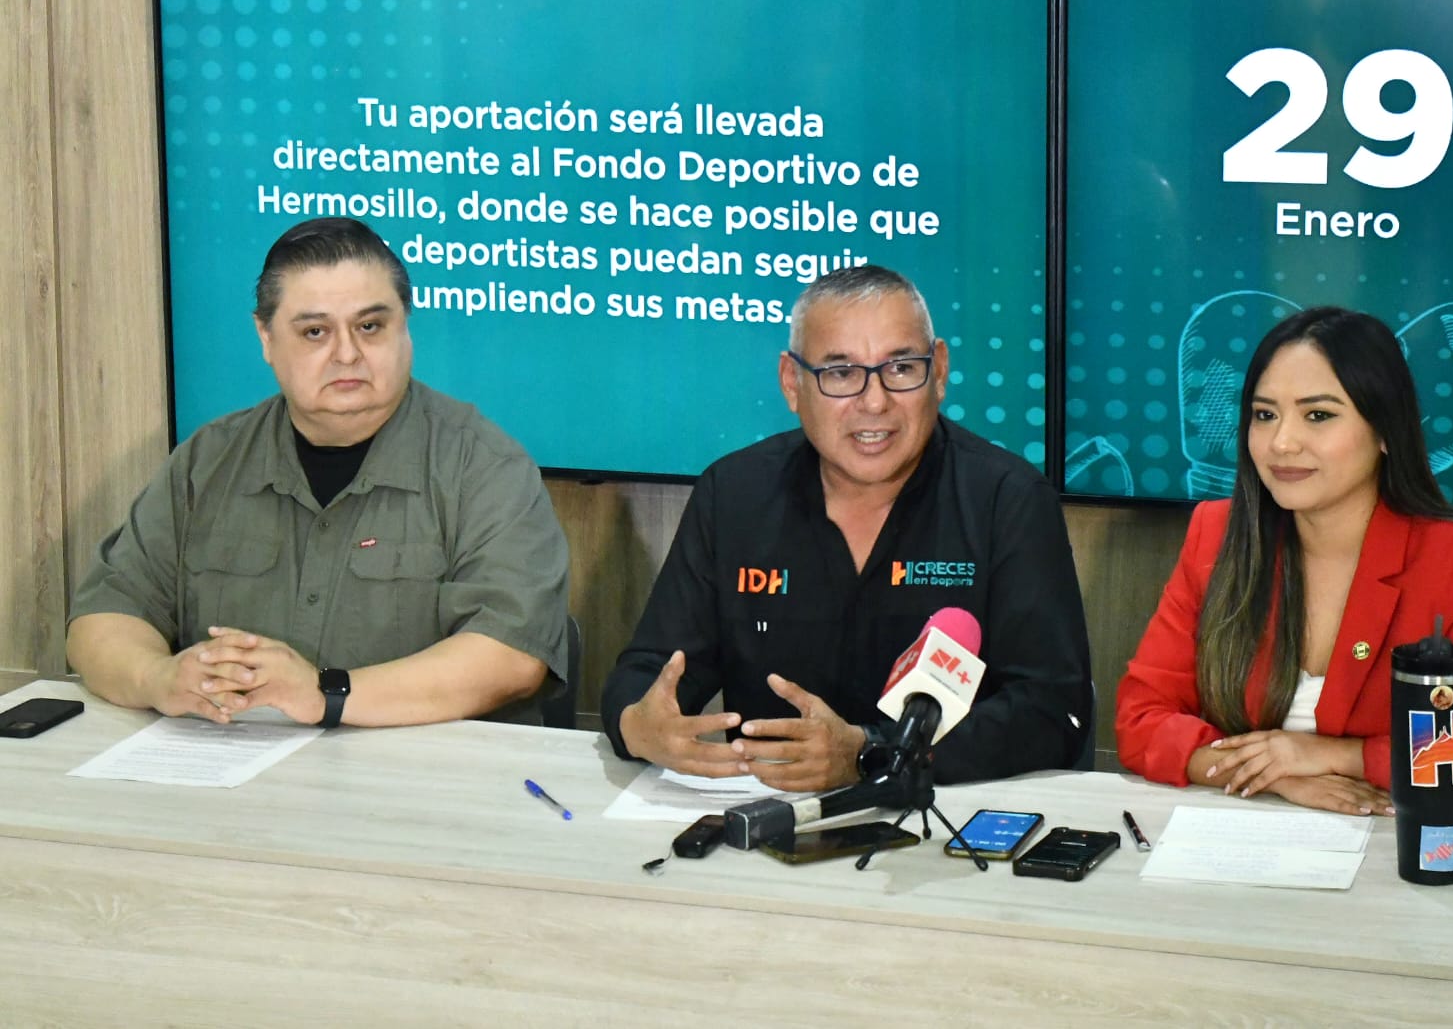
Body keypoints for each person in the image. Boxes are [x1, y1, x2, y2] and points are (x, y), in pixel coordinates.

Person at [600, 265, 1093, 791]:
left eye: (901, 367)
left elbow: (1053, 710)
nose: (874, 401)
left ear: (940, 372)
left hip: (950, 813)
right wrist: (638, 725)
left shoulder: (1008, 500)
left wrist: (869, 754)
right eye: (840, 373)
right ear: (792, 383)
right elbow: (651, 671)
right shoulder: (733, 495)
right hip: (769, 816)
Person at [67, 217, 570, 728]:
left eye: (370, 327)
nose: (347, 354)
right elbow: (102, 617)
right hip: (232, 757)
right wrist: (159, 678)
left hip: (422, 768)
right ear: (266, 338)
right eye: (315, 332)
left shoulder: (483, 465)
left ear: (405, 327)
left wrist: (326, 694)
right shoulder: (207, 462)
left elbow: (513, 658)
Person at [1115, 306, 1453, 815]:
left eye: (1318, 415)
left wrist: (1336, 757)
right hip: (1240, 832)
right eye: (1264, 415)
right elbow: (1141, 720)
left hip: (1391, 841)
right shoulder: (1216, 533)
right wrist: (1276, 777)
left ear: (1385, 430)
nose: (1282, 443)